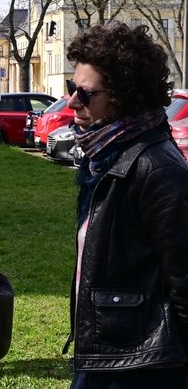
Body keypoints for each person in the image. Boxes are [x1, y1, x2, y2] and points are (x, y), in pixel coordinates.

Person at [64, 23, 187, 389]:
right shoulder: (102, 159)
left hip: (141, 364)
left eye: (84, 94)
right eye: (72, 89)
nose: (71, 102)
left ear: (122, 96)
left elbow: (183, 279)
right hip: (108, 351)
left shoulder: (157, 168)